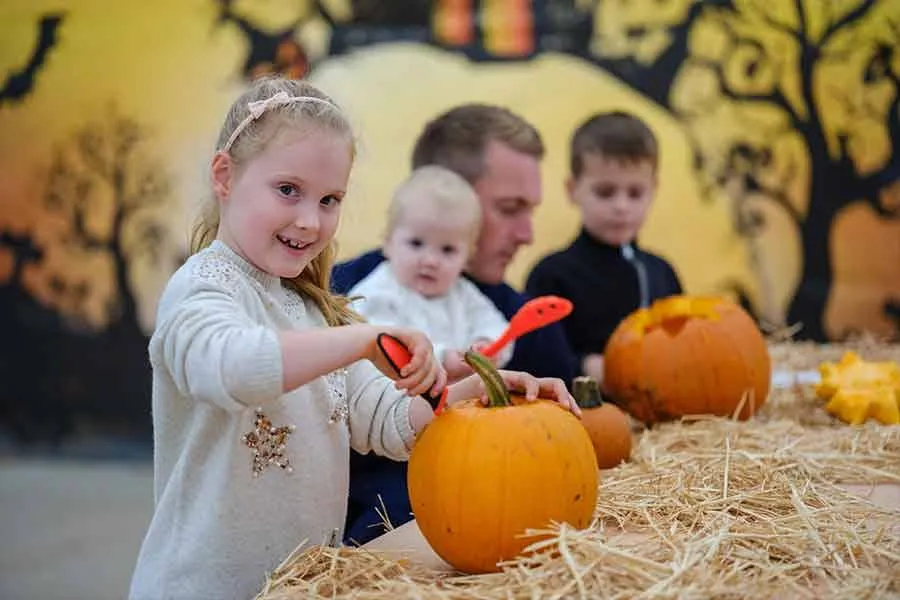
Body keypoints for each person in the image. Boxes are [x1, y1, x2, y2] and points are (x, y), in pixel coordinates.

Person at [128, 77, 579, 600]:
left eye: (329, 199)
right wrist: (365, 339)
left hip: (297, 588)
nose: (309, 219)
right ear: (225, 176)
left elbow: (387, 422)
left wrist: (482, 392)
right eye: (287, 190)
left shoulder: (312, 310)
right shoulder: (201, 288)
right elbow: (232, 368)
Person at [334, 104, 579, 545]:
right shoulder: (345, 296)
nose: (527, 234)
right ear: (446, 197)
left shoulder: (520, 320)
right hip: (372, 547)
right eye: (509, 209)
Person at [526, 111, 683, 383]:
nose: (621, 206)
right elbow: (538, 359)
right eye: (605, 192)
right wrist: (585, 367)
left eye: (635, 193)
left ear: (653, 190)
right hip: (588, 414)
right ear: (573, 189)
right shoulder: (552, 276)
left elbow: (687, 343)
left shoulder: (662, 272)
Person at [348, 165, 513, 382]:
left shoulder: (463, 293)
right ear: (388, 242)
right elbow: (382, 344)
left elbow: (494, 324)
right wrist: (442, 357)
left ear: (467, 258)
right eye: (416, 243)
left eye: (447, 250)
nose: (430, 261)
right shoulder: (376, 293)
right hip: (396, 402)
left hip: (460, 406)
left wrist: (488, 345)